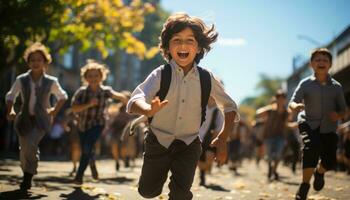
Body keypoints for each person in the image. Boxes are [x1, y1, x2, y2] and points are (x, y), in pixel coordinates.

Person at [127, 12, 239, 199]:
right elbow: (135, 99)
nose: (183, 45)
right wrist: (148, 109)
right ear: (167, 47)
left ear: (199, 47)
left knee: (180, 194)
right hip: (158, 141)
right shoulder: (161, 74)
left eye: (190, 40)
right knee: (147, 191)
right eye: (177, 40)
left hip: (189, 144)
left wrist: (223, 138)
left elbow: (230, 107)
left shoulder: (206, 78)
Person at [5, 42, 68, 192]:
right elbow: (11, 95)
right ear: (28, 62)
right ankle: (28, 170)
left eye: (39, 60)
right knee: (24, 149)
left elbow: (62, 96)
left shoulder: (51, 81)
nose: (36, 63)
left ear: (45, 62)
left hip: (41, 121)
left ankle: (27, 178)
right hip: (23, 119)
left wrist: (54, 110)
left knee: (31, 145)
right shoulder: (22, 79)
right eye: (32, 60)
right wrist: (10, 110)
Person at [289, 48, 347, 200]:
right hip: (308, 122)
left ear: (330, 64)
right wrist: (295, 106)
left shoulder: (336, 87)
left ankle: (319, 172)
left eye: (325, 60)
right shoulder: (305, 84)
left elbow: (344, 110)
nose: (321, 62)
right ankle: (304, 185)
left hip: (329, 127)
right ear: (311, 64)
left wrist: (338, 114)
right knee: (311, 148)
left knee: (330, 161)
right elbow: (292, 102)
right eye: (317, 60)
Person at [71, 59, 127, 184]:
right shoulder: (81, 92)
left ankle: (79, 176)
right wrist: (88, 104)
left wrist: (125, 101)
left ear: (102, 77)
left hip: (98, 124)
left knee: (86, 147)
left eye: (96, 75)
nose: (93, 78)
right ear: (85, 78)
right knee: (87, 149)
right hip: (82, 125)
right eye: (90, 76)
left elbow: (120, 96)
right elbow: (74, 108)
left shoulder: (105, 91)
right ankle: (92, 165)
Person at [262, 90, 289, 181]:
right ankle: (270, 167)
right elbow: (258, 113)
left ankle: (273, 170)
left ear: (285, 100)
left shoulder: (286, 112)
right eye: (279, 98)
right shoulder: (270, 110)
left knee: (278, 155)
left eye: (283, 98)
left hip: (280, 136)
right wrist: (270, 107)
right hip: (268, 136)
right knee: (269, 156)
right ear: (276, 99)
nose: (281, 100)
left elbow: (286, 125)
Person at [197, 97, 224, 186]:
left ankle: (204, 171)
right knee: (200, 158)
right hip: (198, 135)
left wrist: (213, 141)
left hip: (210, 138)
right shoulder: (201, 105)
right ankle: (202, 177)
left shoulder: (218, 110)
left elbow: (218, 128)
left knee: (208, 159)